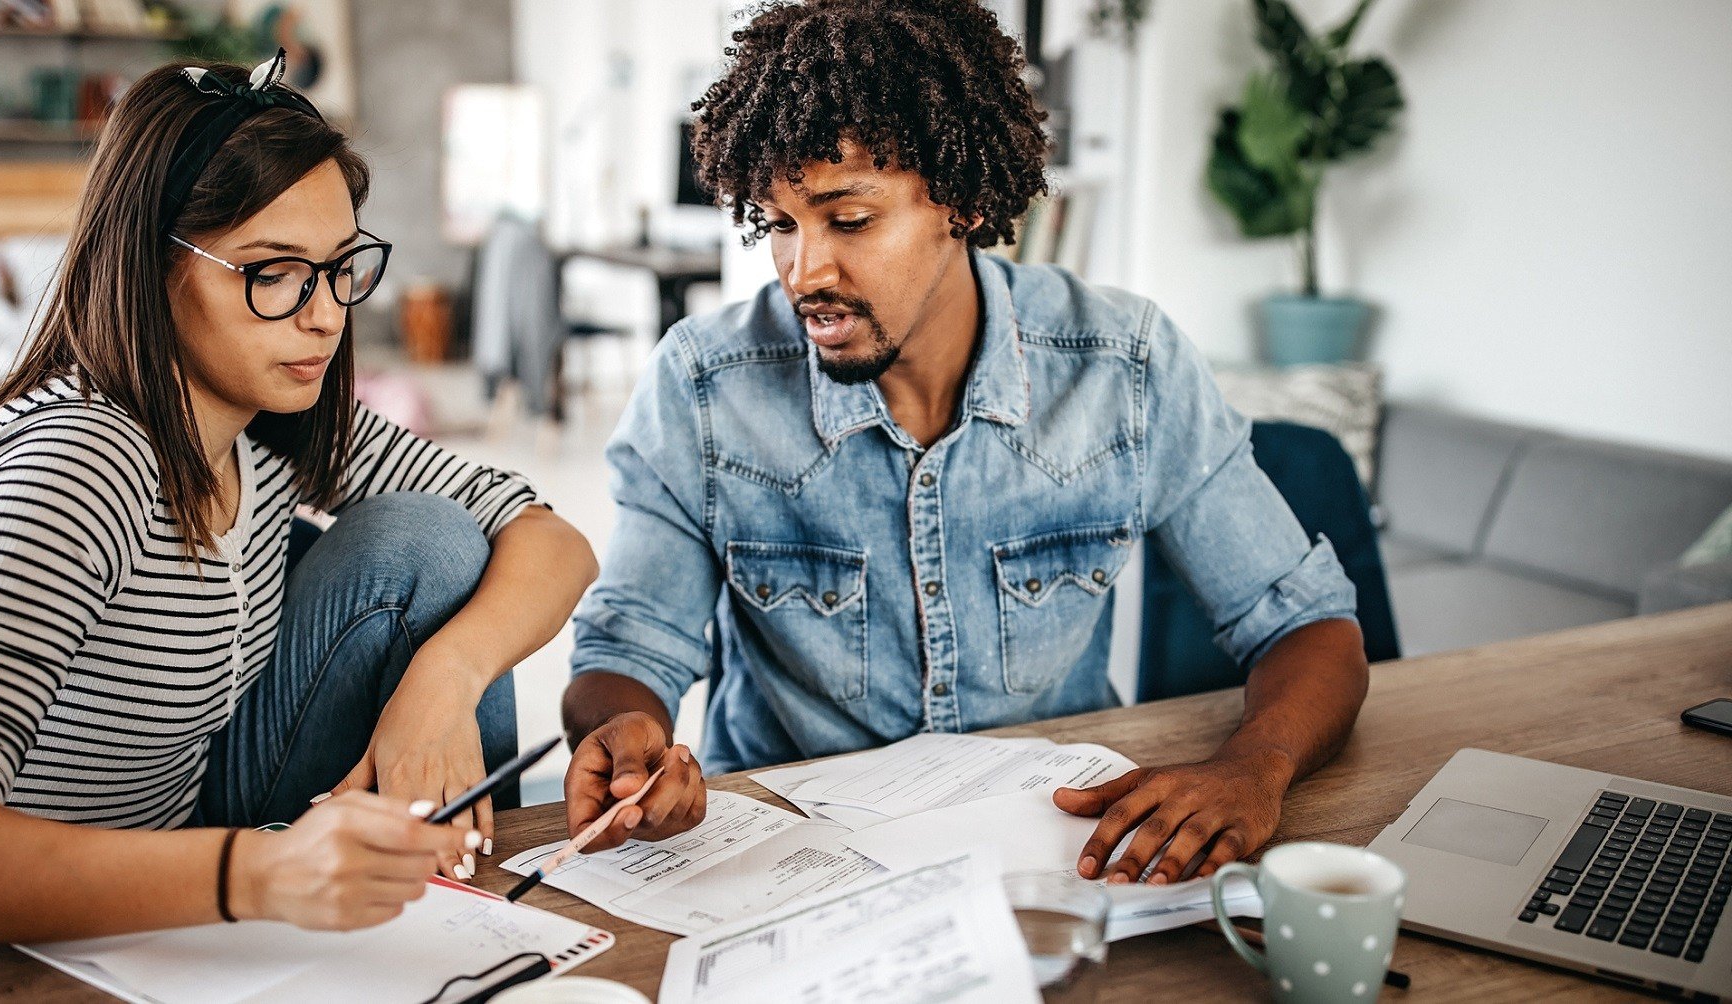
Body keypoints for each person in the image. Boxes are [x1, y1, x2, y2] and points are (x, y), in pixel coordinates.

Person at [560, 0, 1368, 885]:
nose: (804, 274)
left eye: (850, 220)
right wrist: (627, 736)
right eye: (781, 224)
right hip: (792, 867)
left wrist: (1254, 769)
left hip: (1061, 855)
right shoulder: (705, 387)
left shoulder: (1124, 367)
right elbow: (627, 651)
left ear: (965, 201)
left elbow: (1307, 627)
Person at [0, 53, 597, 941]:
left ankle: (466, 930)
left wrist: (443, 679)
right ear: (153, 263)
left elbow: (553, 540)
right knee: (426, 544)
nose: (324, 315)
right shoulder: (77, 464)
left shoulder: (269, 419)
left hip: (195, 817)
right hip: (49, 907)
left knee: (435, 542)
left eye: (340, 266)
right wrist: (261, 872)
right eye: (271, 272)